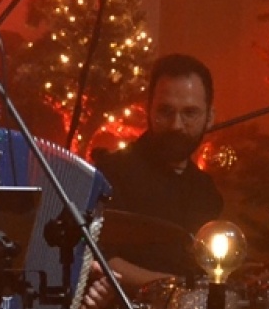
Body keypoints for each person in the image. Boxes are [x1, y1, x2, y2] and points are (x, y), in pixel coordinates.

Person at [94, 53, 224, 288]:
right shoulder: (113, 172)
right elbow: (102, 258)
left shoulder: (206, 191)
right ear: (148, 111)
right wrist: (172, 289)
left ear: (210, 117)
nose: (176, 125)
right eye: (166, 111)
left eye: (190, 113)